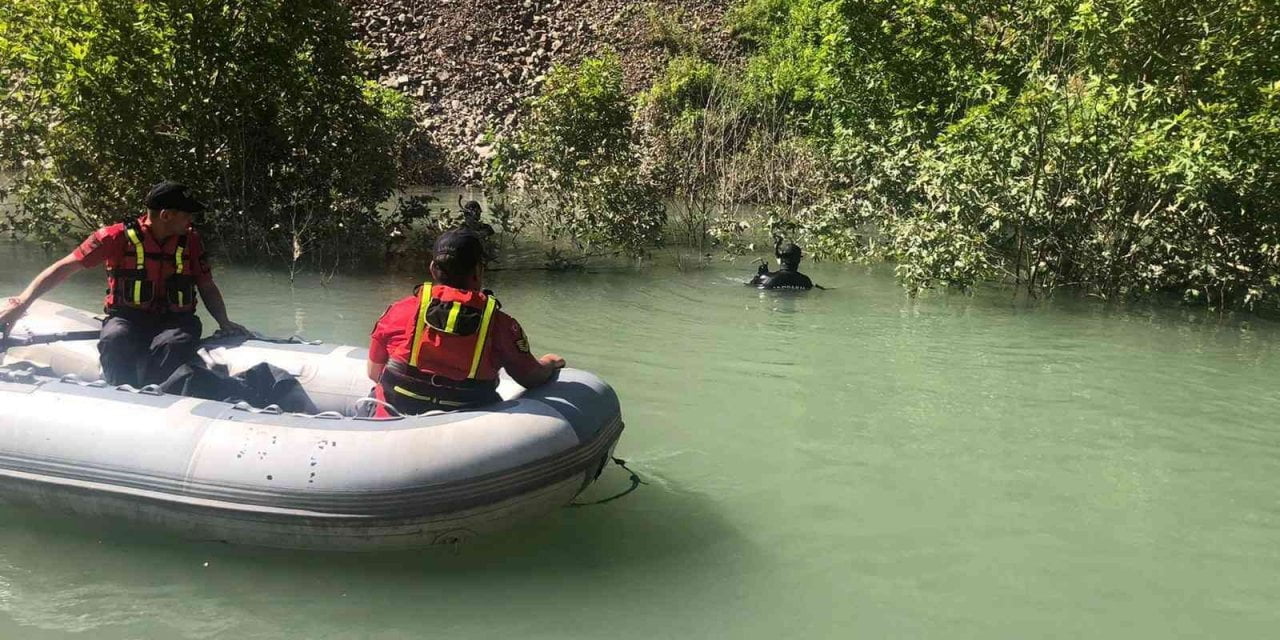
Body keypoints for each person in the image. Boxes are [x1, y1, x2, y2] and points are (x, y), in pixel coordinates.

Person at [0, 181, 247, 386]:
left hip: (176, 321)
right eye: (187, 214)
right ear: (166, 215)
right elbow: (64, 268)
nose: (191, 220)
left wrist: (224, 322)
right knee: (115, 339)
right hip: (128, 317)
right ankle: (118, 392)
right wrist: (23, 302)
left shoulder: (191, 240)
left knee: (172, 343)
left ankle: (160, 396)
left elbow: (206, 284)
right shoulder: (114, 237)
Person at [367, 229, 565, 416]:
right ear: (478, 271)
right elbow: (531, 378)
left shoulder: (399, 311)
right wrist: (549, 362)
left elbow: (374, 372)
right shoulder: (501, 325)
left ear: (433, 269)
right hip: (466, 438)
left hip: (392, 426)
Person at [748, 234, 816, 290]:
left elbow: (751, 286)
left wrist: (760, 275)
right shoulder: (805, 281)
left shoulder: (767, 278)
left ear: (781, 258)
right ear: (798, 260)